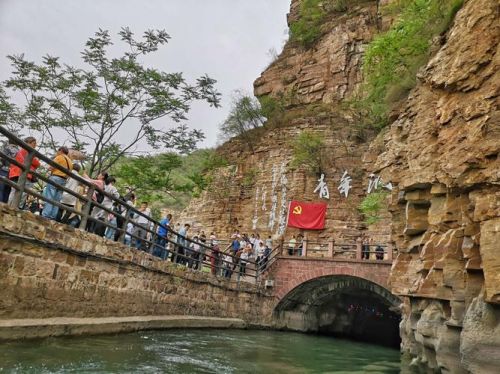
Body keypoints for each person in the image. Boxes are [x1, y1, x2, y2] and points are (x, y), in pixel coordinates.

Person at [8, 136, 40, 209]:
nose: (35, 145)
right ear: (28, 143)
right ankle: (17, 207)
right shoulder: (28, 150)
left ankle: (10, 206)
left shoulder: (21, 150)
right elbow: (37, 163)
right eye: (34, 143)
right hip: (23, 174)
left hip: (15, 173)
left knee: (14, 191)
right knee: (23, 192)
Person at [41, 146, 73, 220]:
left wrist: (47, 168)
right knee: (57, 199)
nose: (57, 153)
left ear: (61, 151)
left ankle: (46, 215)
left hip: (55, 178)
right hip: (63, 180)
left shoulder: (59, 157)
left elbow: (52, 167)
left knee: (50, 196)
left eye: (57, 151)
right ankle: (52, 216)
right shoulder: (70, 162)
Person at [0, 138, 18, 203]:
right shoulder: (19, 151)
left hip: (4, 170)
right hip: (13, 173)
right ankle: (4, 207)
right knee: (8, 191)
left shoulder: (6, 148)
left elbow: (1, 159)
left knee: (1, 189)